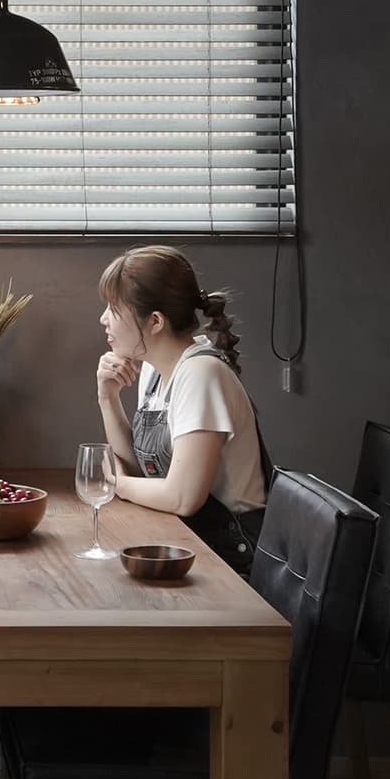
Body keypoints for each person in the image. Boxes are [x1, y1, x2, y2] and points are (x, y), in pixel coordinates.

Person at [94, 246, 271, 575]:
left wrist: (115, 483)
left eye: (114, 309)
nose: (103, 318)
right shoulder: (154, 371)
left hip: (233, 563)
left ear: (155, 322)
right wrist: (108, 397)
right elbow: (139, 472)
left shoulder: (201, 374)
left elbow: (183, 497)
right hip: (188, 543)